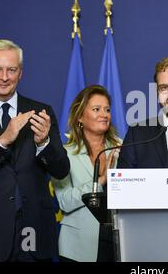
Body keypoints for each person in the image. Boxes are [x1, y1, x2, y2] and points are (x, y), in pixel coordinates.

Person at [0, 39, 70, 261]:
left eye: (12, 70)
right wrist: (1, 141)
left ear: (21, 73)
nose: (4, 77)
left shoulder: (42, 113)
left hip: (35, 233)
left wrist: (43, 143)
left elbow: (61, 170)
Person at [52, 85, 121, 262]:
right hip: (77, 248)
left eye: (107, 109)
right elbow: (64, 202)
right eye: (96, 109)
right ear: (80, 117)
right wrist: (99, 182)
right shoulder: (64, 154)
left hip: (117, 244)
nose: (104, 114)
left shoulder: (123, 148)